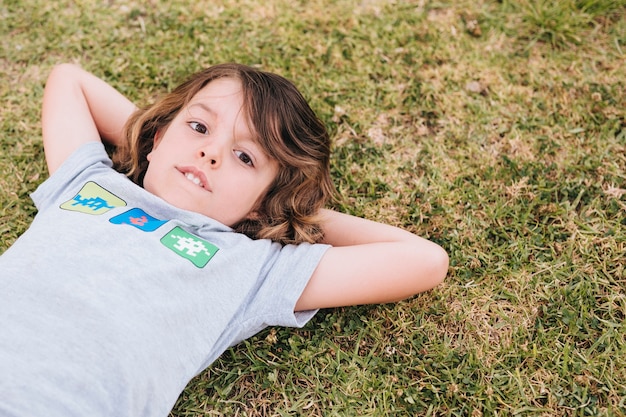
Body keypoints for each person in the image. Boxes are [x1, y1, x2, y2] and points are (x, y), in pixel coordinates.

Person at [0, 62, 448, 416]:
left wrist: (288, 210)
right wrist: (149, 139)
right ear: (159, 136)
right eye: (199, 127)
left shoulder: (250, 265)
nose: (210, 152)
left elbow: (422, 260)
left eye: (245, 157)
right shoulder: (88, 183)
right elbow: (69, 79)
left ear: (261, 202)